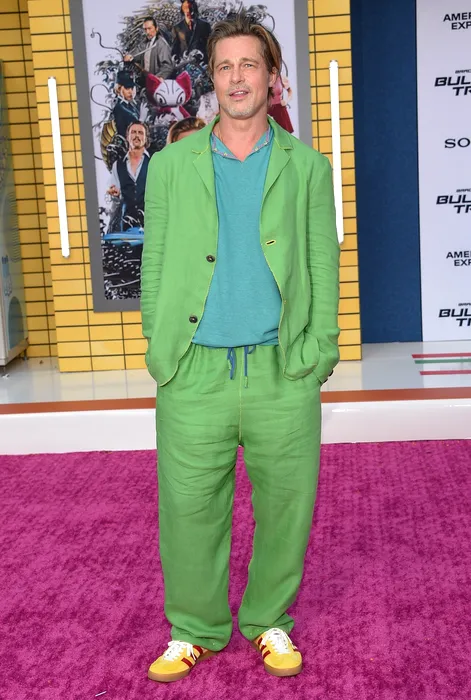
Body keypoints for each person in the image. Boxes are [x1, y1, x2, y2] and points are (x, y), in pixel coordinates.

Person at [141, 10, 340, 684]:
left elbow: (321, 262)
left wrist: (319, 351)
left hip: (282, 368)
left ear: (271, 76)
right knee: (188, 507)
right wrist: (159, 346)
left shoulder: (307, 168)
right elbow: (155, 262)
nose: (235, 78)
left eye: (248, 64)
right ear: (210, 78)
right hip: (193, 369)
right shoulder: (171, 166)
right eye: (224, 66)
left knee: (287, 504)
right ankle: (194, 628)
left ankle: (267, 618)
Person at [107, 121, 150, 230]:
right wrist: (115, 194)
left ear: (145, 138)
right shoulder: (117, 165)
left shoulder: (155, 163)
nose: (137, 135)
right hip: (126, 225)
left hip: (152, 223)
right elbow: (115, 194)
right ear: (127, 137)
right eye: (133, 132)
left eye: (140, 133)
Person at [112, 71, 140, 138]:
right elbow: (122, 132)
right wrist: (142, 119)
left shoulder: (133, 105)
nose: (131, 92)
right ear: (119, 89)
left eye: (132, 88)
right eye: (127, 88)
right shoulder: (118, 108)